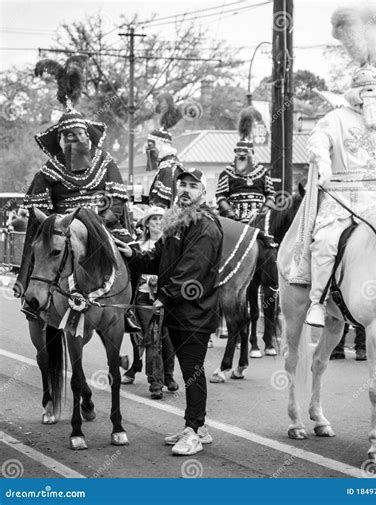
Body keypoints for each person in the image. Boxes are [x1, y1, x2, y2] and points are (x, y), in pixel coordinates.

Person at [288, 7, 376, 327]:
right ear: (356, 92)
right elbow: (318, 141)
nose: (374, 95)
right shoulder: (336, 118)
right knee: (326, 242)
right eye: (367, 90)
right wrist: (323, 165)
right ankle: (317, 301)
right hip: (344, 196)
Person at [15, 55, 139, 332]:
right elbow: (40, 215)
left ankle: (129, 308)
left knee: (134, 254)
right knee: (44, 251)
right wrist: (58, 226)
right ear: (59, 139)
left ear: (88, 136)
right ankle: (34, 299)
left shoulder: (107, 163)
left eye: (79, 134)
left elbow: (117, 205)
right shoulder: (47, 172)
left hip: (102, 227)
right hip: (61, 229)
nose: (74, 139)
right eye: (67, 135)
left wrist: (94, 224)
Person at [117, 168, 222, 456]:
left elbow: (191, 273)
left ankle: (194, 430)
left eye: (193, 186)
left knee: (192, 370)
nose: (185, 190)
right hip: (178, 311)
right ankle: (198, 427)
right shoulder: (177, 222)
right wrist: (134, 255)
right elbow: (157, 258)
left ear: (204, 192)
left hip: (195, 314)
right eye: (182, 185)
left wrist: (163, 297)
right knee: (189, 369)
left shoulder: (206, 226)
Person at [121, 206, 179, 399]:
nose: (157, 222)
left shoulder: (170, 245)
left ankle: (168, 376)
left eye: (160, 218)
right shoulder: (136, 247)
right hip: (143, 297)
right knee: (151, 338)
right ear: (146, 223)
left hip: (165, 297)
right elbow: (131, 272)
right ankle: (155, 382)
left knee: (168, 338)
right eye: (153, 219)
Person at [216, 107, 275, 223]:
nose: (242, 156)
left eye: (246, 153)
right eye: (239, 153)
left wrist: (266, 208)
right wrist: (230, 212)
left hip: (260, 221)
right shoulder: (227, 173)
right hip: (234, 221)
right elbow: (220, 196)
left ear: (252, 153)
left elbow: (271, 194)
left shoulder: (262, 172)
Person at [147, 93, 184, 208]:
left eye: (151, 145)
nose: (148, 150)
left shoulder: (168, 169)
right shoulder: (167, 165)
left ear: (161, 145)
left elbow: (162, 206)